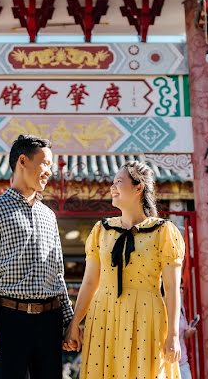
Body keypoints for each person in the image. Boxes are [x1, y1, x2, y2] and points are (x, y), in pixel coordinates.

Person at [64, 160, 185, 379]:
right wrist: (74, 324)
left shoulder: (164, 232)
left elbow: (171, 287)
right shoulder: (102, 230)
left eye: (118, 182)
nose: (112, 187)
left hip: (147, 316)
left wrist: (174, 335)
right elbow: (90, 283)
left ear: (138, 187)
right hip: (104, 316)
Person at [0, 135, 73, 379]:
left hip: (50, 320)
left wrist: (70, 322)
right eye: (45, 163)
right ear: (23, 161)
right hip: (9, 320)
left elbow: (58, 273)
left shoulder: (49, 216)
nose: (49, 171)